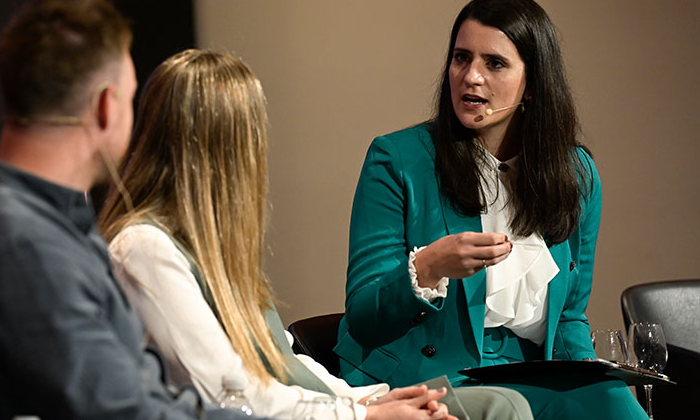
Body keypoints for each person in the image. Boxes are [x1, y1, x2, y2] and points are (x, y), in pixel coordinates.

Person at [99, 49, 534, 420]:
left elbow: (286, 363)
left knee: (499, 402)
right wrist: (365, 413)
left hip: (328, 407)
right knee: (498, 409)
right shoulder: (146, 248)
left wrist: (375, 398)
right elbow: (231, 394)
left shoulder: (211, 248)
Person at [0, 0, 259, 420]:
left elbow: (142, 395)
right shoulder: (21, 245)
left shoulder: (36, 228)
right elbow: (124, 413)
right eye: (131, 99)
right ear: (105, 105)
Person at [335, 0, 647, 420]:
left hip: (534, 371)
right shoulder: (398, 159)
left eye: (494, 63)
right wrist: (427, 267)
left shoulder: (577, 173)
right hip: (429, 372)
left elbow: (571, 316)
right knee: (509, 408)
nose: (471, 77)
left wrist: (594, 375)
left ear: (532, 85)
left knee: (617, 407)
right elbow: (365, 318)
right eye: (461, 58)